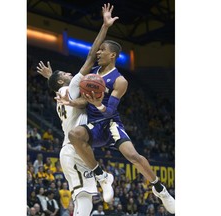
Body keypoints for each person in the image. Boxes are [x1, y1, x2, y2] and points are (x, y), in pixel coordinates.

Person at [57, 27, 175, 215]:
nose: (99, 52)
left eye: (102, 50)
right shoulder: (91, 73)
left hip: (110, 122)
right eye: (99, 49)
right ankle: (101, 176)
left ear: (112, 55)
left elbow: (110, 110)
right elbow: (84, 101)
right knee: (74, 135)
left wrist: (99, 104)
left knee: (133, 156)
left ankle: (160, 190)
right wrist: (72, 101)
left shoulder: (120, 80)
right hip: (94, 125)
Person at [36, 3, 118, 215]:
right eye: (65, 73)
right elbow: (91, 55)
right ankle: (103, 176)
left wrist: (51, 76)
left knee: (84, 196)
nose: (70, 74)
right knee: (83, 196)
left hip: (70, 150)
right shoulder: (71, 88)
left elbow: (59, 84)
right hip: (74, 149)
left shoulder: (60, 95)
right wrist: (105, 27)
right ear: (63, 80)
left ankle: (102, 178)